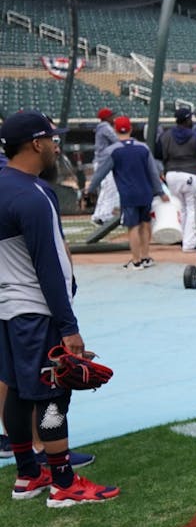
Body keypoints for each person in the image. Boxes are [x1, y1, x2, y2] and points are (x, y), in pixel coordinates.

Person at [0, 110, 119, 506]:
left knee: (17, 392)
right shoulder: (33, 194)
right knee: (53, 398)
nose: (56, 145)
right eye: (52, 138)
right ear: (35, 144)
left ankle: (27, 475)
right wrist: (70, 328)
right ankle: (62, 483)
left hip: (6, 312)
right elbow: (49, 266)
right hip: (36, 312)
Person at [85, 116, 169, 270]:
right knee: (145, 223)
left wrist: (89, 190)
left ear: (115, 130)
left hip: (128, 194)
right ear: (130, 129)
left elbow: (101, 173)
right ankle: (145, 256)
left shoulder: (113, 150)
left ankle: (136, 260)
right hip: (146, 192)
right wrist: (160, 191)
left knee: (133, 226)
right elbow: (153, 172)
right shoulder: (143, 148)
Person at [155, 106, 196, 253]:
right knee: (193, 209)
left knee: (184, 209)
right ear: (187, 120)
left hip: (172, 175)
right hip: (191, 174)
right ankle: (189, 244)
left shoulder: (166, 135)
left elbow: (158, 154)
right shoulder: (195, 135)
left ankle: (184, 240)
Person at [91, 107, 120, 218]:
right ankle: (103, 214)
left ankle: (100, 214)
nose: (113, 117)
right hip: (103, 162)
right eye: (111, 116)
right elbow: (117, 139)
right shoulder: (105, 127)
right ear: (106, 118)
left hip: (102, 162)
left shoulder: (104, 127)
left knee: (107, 189)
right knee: (109, 188)